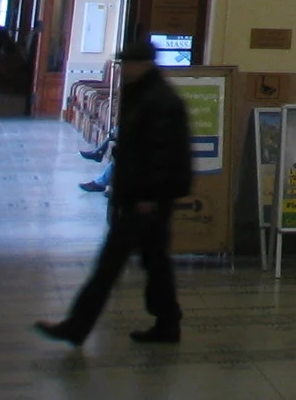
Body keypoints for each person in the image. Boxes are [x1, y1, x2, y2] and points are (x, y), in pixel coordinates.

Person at [36, 42, 191, 348]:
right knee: (155, 263)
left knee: (110, 265)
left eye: (128, 63)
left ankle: (78, 326)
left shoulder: (160, 100)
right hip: (141, 196)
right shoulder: (143, 93)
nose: (124, 69)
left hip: (146, 200)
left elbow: (163, 154)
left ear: (143, 64)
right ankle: (167, 322)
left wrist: (147, 196)